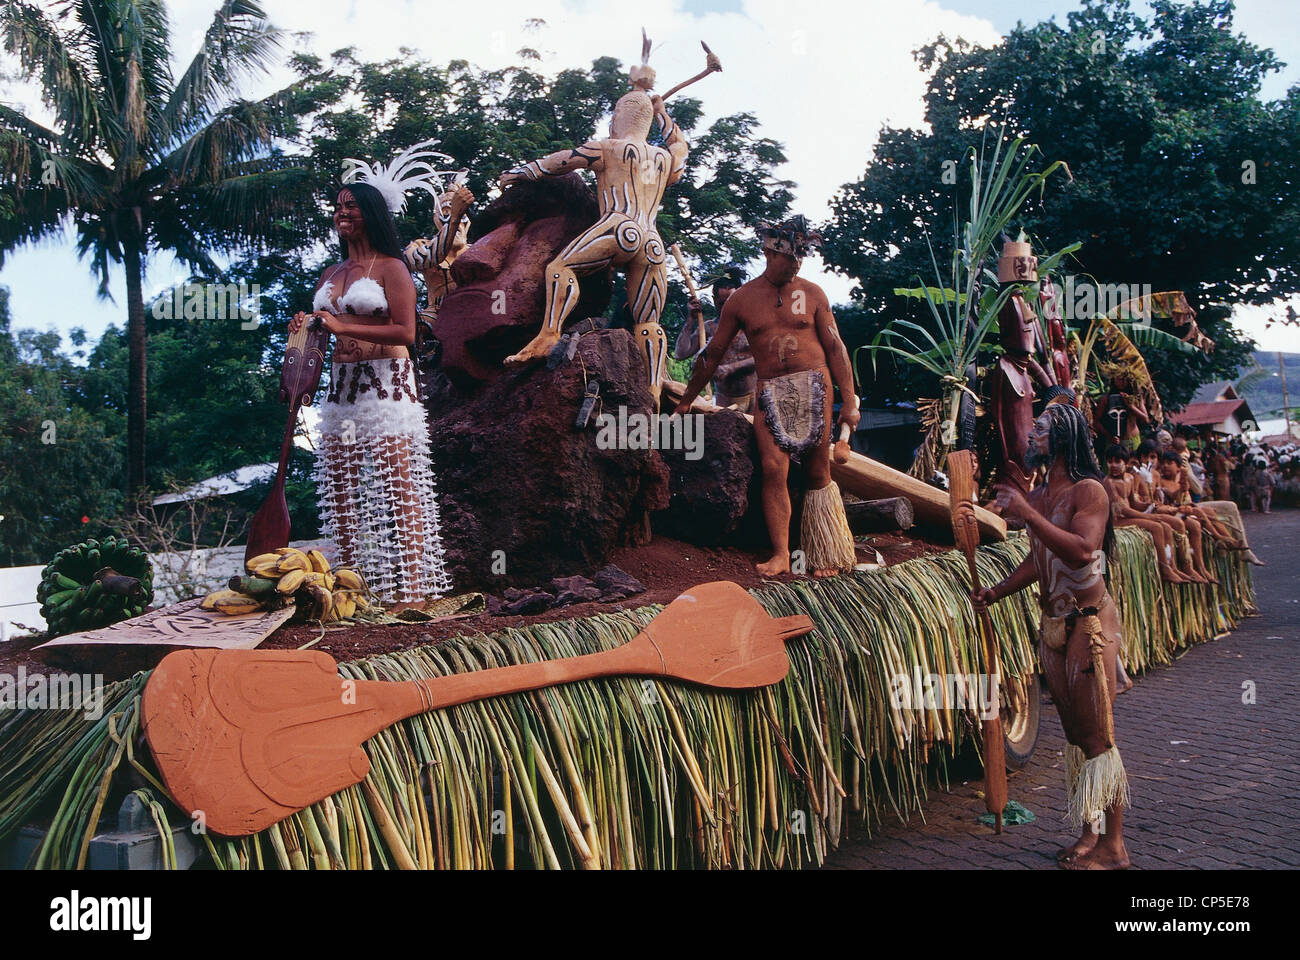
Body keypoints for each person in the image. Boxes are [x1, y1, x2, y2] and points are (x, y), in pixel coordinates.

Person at [974, 398, 1129, 869]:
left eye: (1040, 427)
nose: (1031, 433)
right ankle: (1089, 833)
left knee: (1099, 735)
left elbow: (1083, 551)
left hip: (1089, 623)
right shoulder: (1041, 495)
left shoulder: (1090, 491)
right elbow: (1038, 560)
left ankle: (1115, 846)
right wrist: (996, 591)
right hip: (1054, 623)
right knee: (1076, 734)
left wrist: (1028, 511)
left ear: (1063, 435)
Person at [291, 165, 456, 605]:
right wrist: (307, 327)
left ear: (373, 214)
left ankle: (414, 595)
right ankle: (349, 594)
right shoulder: (332, 271)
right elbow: (327, 327)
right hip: (341, 389)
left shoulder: (392, 268)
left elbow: (405, 331)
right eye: (339, 206)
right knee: (342, 494)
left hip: (388, 387)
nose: (343, 213)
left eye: (353, 206)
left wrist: (341, 323)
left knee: (400, 488)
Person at [497, 53, 689, 404]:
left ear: (618, 117)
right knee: (648, 320)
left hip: (617, 227)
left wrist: (518, 173)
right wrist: (662, 112)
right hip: (651, 242)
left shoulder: (608, 147)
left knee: (559, 267)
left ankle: (550, 333)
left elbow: (560, 162)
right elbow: (680, 146)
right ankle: (653, 389)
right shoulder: (663, 160)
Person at [675, 216, 860, 578]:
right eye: (789, 258)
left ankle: (824, 553)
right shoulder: (742, 300)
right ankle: (781, 554)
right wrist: (686, 399)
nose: (795, 265)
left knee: (818, 470)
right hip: (770, 390)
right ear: (768, 253)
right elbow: (712, 353)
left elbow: (836, 349)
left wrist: (850, 402)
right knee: (774, 469)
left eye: (800, 259)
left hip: (814, 386)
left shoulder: (813, 293)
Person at [1102, 445, 1192, 582]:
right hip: (1118, 520)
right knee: (1156, 526)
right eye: (1110, 461)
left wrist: (1149, 506)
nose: (1113, 465)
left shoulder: (1129, 478)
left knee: (1166, 527)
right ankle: (1165, 570)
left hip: (1130, 515)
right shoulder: (1108, 482)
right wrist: (1148, 516)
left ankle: (1173, 567)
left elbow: (1133, 503)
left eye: (1117, 461)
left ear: (1126, 463)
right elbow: (1122, 509)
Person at [672, 264, 755, 411]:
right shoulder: (709, 329)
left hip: (755, 398)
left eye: (731, 301)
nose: (727, 308)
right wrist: (690, 319)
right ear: (714, 300)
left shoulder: (751, 325)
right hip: (725, 401)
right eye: (722, 303)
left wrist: (731, 368)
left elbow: (764, 358)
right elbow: (680, 354)